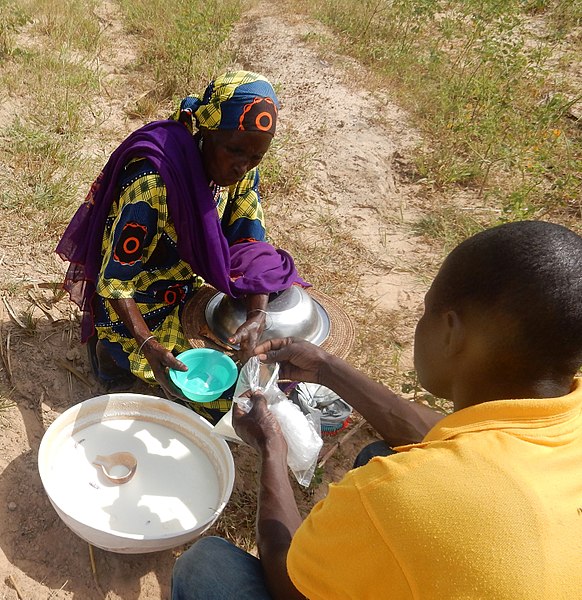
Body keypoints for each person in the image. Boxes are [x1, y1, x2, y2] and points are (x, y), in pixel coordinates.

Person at [171, 220, 582, 599]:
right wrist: (327, 367)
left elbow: (289, 582)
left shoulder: (402, 492)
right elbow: (451, 436)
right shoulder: (564, 415)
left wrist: (271, 446)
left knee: (206, 567)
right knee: (378, 452)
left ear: (452, 332)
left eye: (425, 311)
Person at [56, 71, 306, 406]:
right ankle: (111, 350)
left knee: (249, 380)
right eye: (234, 151)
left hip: (182, 291)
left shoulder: (242, 169)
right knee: (211, 397)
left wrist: (258, 315)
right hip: (133, 301)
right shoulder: (155, 180)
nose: (242, 167)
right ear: (206, 131)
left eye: (255, 158)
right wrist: (147, 344)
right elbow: (115, 280)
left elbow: (251, 245)